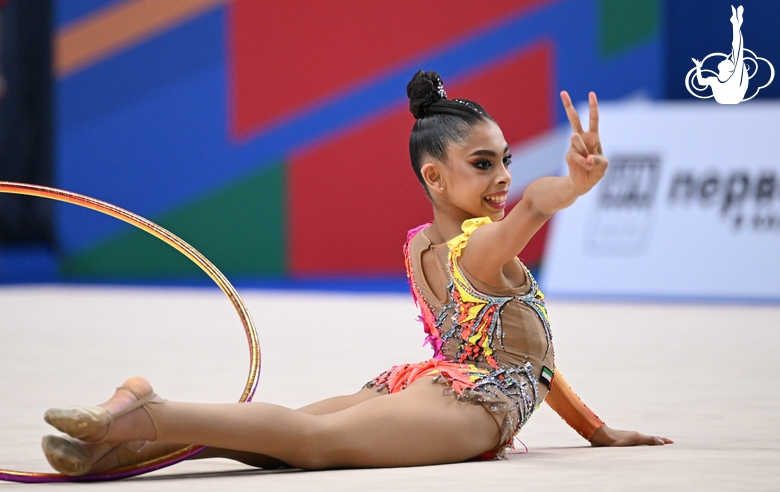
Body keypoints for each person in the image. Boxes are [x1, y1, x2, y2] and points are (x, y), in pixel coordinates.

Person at [40, 70, 672, 477]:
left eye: (505, 159)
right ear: (435, 177)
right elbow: (535, 204)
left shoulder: (423, 244)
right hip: (474, 402)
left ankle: (119, 448)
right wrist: (578, 185)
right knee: (310, 445)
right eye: (484, 164)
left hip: (429, 381)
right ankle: (151, 410)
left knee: (288, 441)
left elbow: (528, 359)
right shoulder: (482, 251)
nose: (504, 175)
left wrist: (596, 429)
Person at [692, 5, 748, 104]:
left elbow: (737, 48)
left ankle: (736, 23)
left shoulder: (735, 78)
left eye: (728, 61)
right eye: (727, 60)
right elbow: (701, 82)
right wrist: (698, 67)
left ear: (729, 69)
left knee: (737, 50)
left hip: (733, 99)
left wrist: (736, 26)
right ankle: (736, 23)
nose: (725, 59)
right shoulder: (714, 80)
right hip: (724, 101)